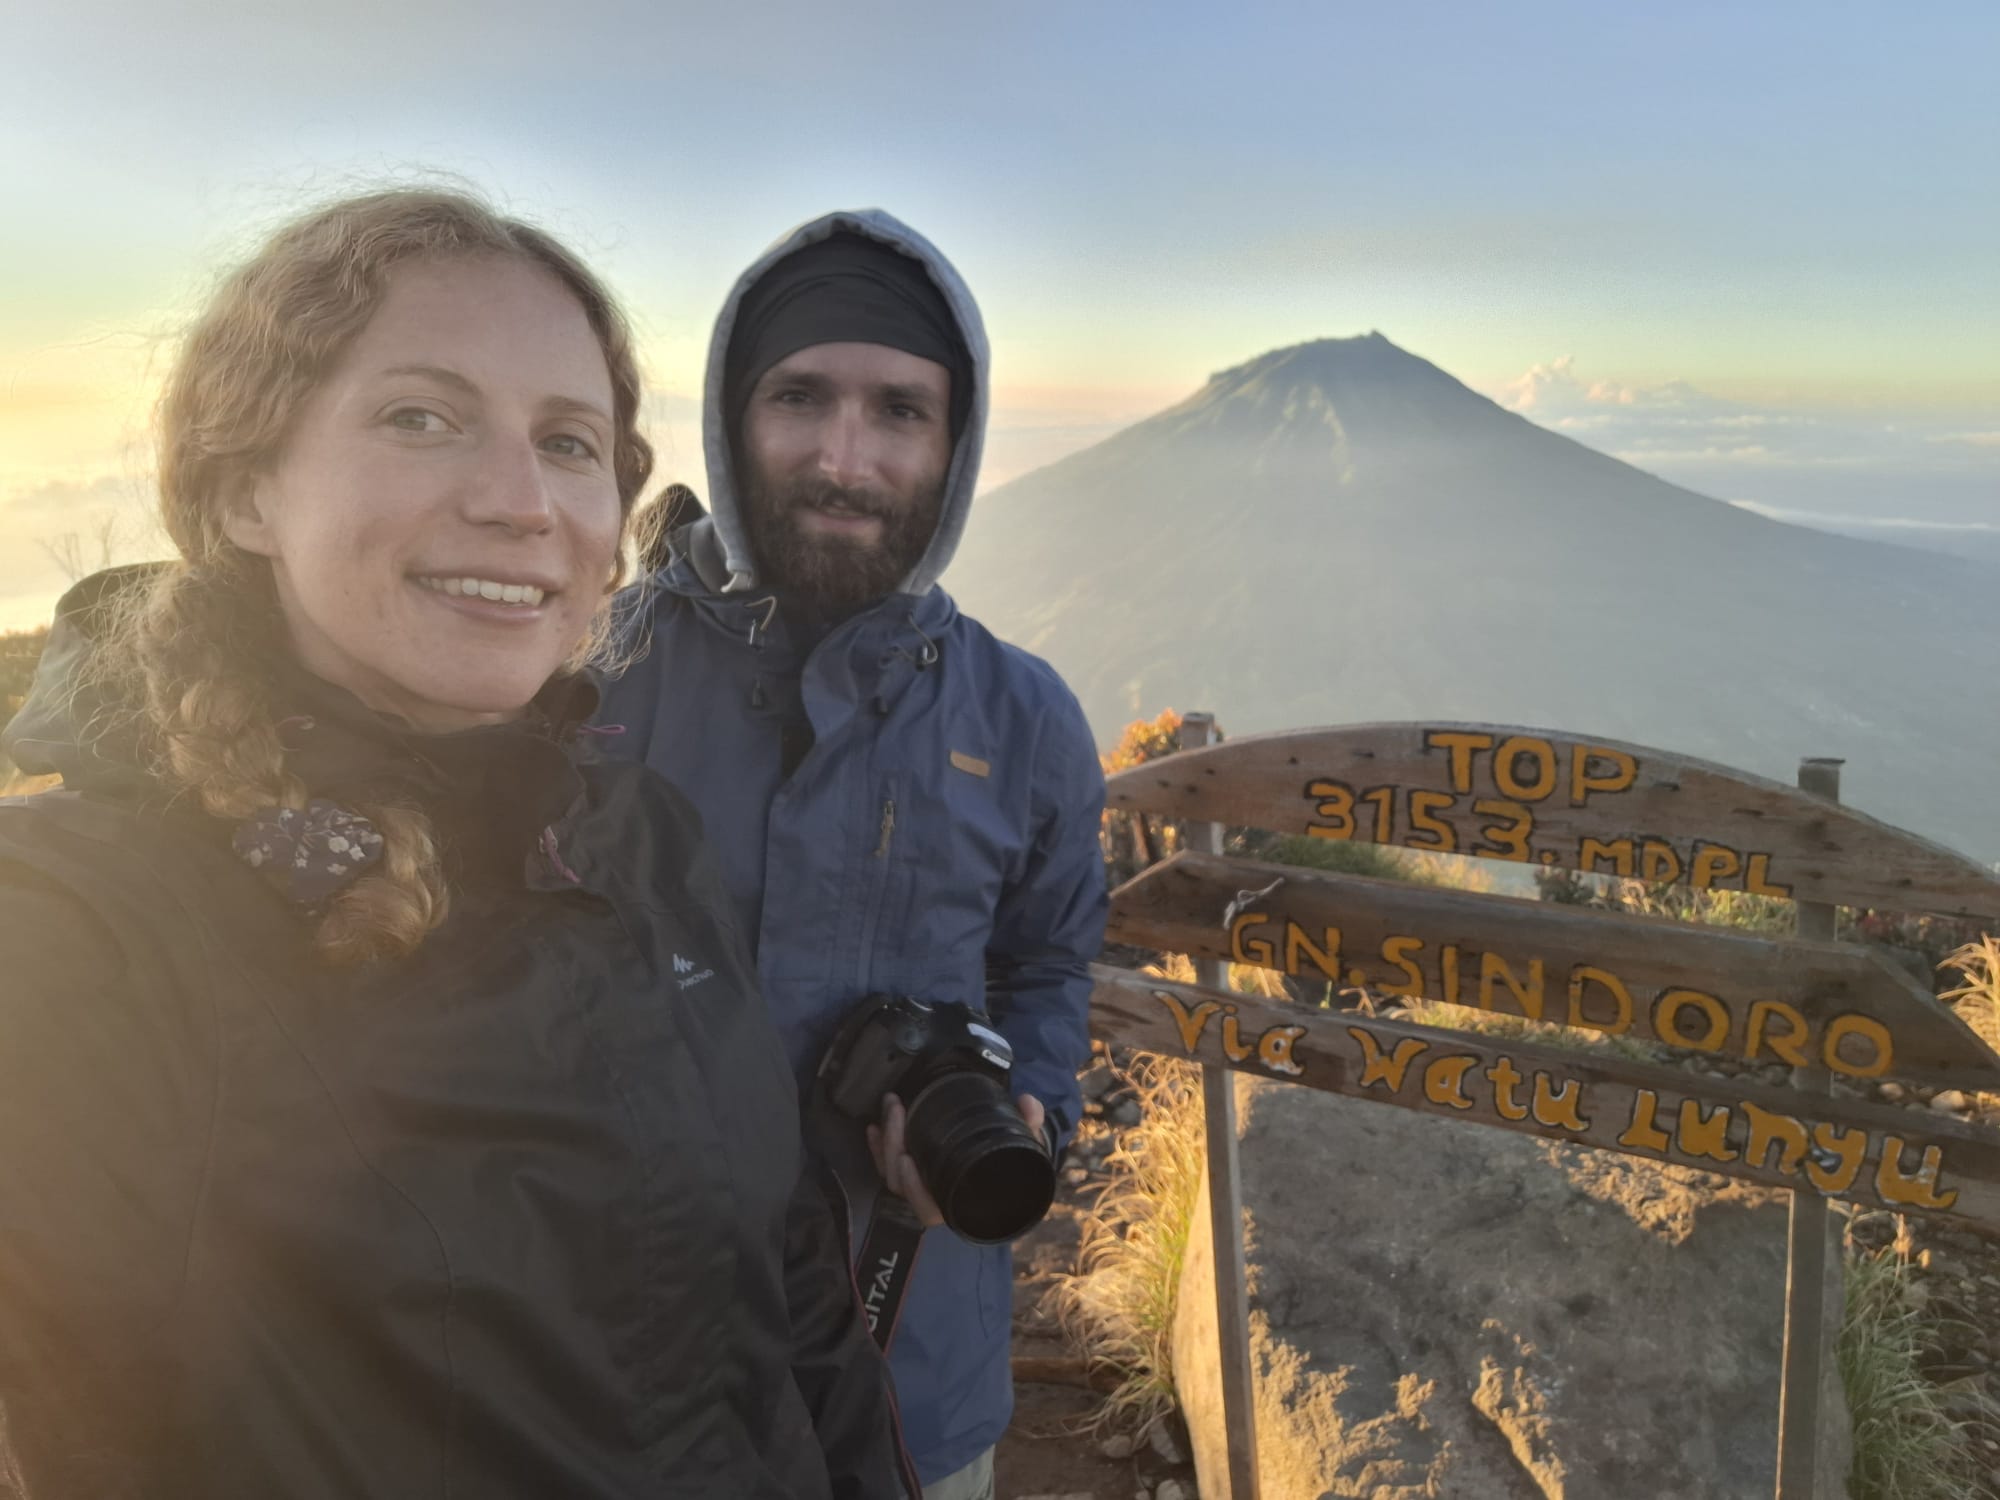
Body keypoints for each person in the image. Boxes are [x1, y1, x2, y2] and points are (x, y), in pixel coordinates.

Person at [0, 188, 912, 1500]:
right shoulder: (100, 924)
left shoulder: (639, 842)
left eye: (568, 441)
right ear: (248, 487)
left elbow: (790, 1292)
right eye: (419, 417)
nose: (517, 499)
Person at [600, 211, 1108, 1498]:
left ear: (954, 444)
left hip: (912, 1373)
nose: (845, 458)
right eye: (798, 397)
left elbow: (1045, 962)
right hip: (613, 1374)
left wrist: (1015, 1121)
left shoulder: (1023, 717)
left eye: (898, 411)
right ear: (729, 417)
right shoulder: (596, 678)